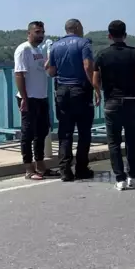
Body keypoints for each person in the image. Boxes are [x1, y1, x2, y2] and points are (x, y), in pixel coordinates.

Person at [93, 20, 135, 190]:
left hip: (112, 103)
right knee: (132, 141)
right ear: (125, 35)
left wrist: (98, 93)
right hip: (132, 102)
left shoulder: (102, 55)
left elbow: (95, 79)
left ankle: (120, 179)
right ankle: (133, 176)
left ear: (109, 36)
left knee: (114, 142)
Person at [46, 19, 96, 182]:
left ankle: (65, 170)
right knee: (84, 132)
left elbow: (51, 71)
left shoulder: (55, 45)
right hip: (80, 91)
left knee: (65, 132)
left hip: (62, 91)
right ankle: (81, 168)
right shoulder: (84, 44)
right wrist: (95, 87)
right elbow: (88, 66)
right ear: (76, 28)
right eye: (81, 27)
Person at [14, 21, 50, 180]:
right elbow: (19, 74)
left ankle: (40, 166)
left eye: (42, 32)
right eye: (37, 32)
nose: (40, 35)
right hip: (29, 98)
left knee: (41, 132)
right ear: (29, 33)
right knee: (28, 133)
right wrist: (24, 98)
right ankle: (29, 169)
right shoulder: (24, 50)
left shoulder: (39, 50)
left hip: (41, 97)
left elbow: (45, 69)